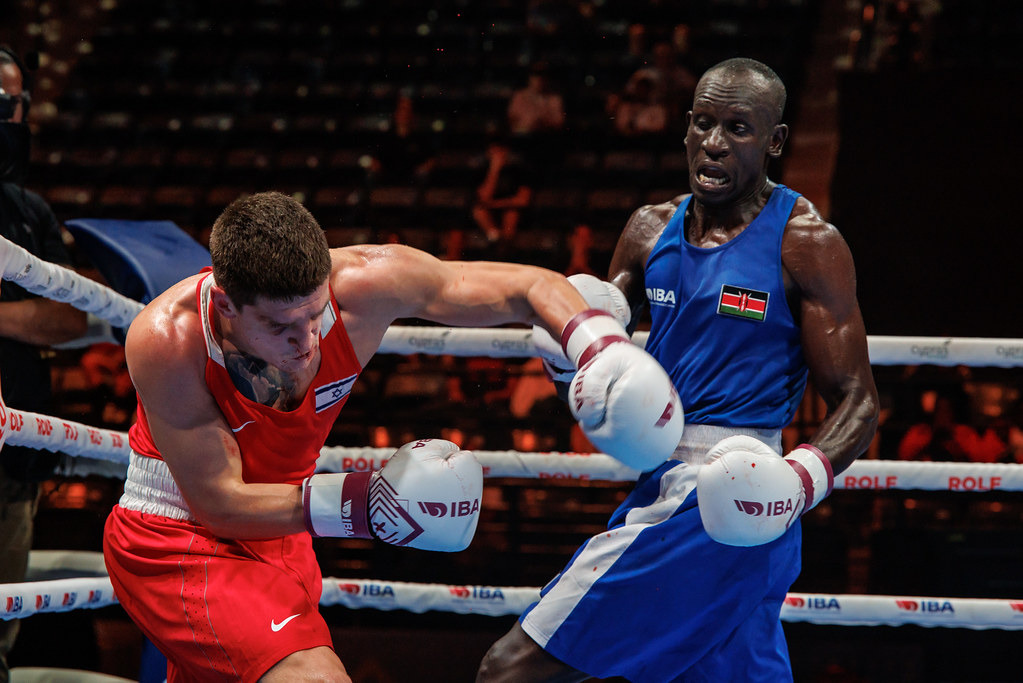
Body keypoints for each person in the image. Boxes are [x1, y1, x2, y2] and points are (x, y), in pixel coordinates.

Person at [103, 191, 683, 682]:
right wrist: (367, 501)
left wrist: (597, 348)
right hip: (177, 534)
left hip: (286, 527)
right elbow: (220, 503)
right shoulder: (167, 338)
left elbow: (527, 286)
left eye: (313, 316)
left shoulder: (365, 281)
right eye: (279, 326)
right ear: (227, 305)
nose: (305, 342)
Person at [477, 57, 879, 682]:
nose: (714, 144)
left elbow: (857, 400)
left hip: (735, 494)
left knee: (511, 671)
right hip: (659, 481)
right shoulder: (647, 230)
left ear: (774, 141)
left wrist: (798, 484)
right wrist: (565, 368)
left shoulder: (806, 243)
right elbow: (597, 370)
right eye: (703, 123)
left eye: (738, 129)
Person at [0, 46, 88, 683]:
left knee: (0, 627)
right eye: (0, 103)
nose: (12, 116)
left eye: (18, 103)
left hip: (15, 456)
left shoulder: (29, 210)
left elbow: (69, 318)